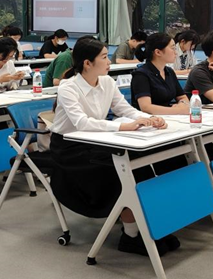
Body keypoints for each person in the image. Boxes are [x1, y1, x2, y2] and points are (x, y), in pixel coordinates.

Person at [49, 38, 178, 257]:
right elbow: (81, 123)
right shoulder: (68, 87)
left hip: (98, 141)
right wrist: (123, 126)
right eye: (104, 57)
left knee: (140, 166)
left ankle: (147, 225)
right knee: (123, 171)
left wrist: (149, 119)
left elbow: (125, 109)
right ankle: (131, 235)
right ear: (87, 63)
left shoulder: (107, 82)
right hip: (70, 149)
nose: (109, 61)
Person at [131, 33, 189, 115]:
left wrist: (182, 104)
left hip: (170, 117)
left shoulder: (169, 71)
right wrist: (178, 111)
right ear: (158, 52)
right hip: (148, 119)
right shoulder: (141, 75)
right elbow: (146, 107)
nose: (176, 52)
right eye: (173, 48)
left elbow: (182, 97)